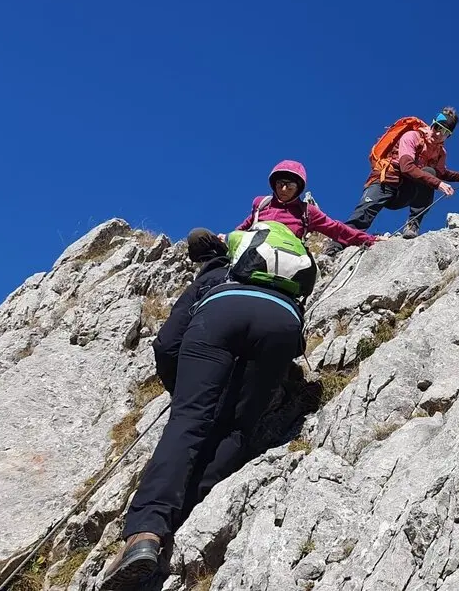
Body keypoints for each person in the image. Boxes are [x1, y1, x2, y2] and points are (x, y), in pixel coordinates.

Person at [100, 228, 311, 591]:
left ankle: (146, 533)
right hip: (283, 320)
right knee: (236, 431)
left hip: (223, 311)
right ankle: (184, 521)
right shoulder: (280, 278)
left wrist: (182, 390)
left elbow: (167, 344)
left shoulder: (216, 274)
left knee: (189, 421)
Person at [345, 107, 459, 239]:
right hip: (385, 182)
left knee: (429, 172)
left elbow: (442, 173)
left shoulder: (440, 153)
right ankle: (335, 248)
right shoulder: (412, 136)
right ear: (432, 124)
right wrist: (438, 183)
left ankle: (412, 225)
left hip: (404, 192)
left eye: (445, 133)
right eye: (438, 128)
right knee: (362, 216)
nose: (439, 134)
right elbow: (406, 166)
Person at [151, 229, 231, 394]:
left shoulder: (203, 284)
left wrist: (178, 390)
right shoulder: (243, 277)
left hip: (198, 388)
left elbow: (166, 346)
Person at [236, 160, 376, 247]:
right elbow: (244, 227)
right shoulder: (261, 203)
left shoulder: (307, 212)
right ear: (274, 184)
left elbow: (337, 229)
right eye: (280, 184)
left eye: (289, 185)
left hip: (285, 258)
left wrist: (370, 240)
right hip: (252, 252)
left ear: (298, 188)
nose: (284, 189)